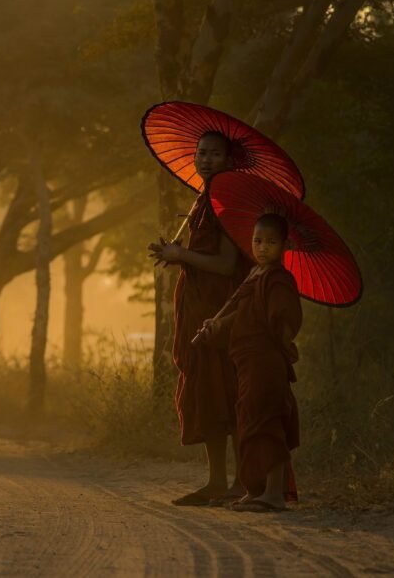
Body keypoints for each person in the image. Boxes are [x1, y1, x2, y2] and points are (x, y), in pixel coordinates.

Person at [149, 131, 250, 506]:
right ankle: (216, 481)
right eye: (201, 153)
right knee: (204, 390)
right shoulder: (202, 200)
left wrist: (183, 257)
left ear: (228, 159)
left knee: (227, 389)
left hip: (219, 308)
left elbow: (226, 265)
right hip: (197, 305)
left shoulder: (226, 200)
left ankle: (241, 481)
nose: (206, 159)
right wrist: (173, 252)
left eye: (215, 154)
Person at [196, 212, 302, 512]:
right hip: (246, 360)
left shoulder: (279, 278)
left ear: (286, 245)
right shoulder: (255, 275)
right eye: (257, 241)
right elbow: (242, 311)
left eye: (271, 242)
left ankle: (274, 494)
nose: (263, 248)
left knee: (267, 421)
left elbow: (283, 319)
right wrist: (216, 325)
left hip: (266, 360)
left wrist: (282, 348)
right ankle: (256, 489)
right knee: (249, 421)